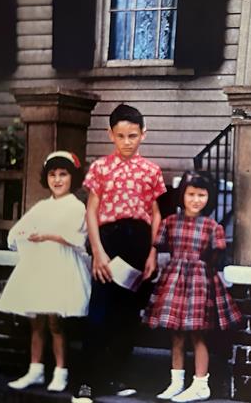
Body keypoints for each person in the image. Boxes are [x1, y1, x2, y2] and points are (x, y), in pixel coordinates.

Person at [72, 104, 166, 403]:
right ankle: (86, 382)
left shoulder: (151, 171)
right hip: (109, 242)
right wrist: (98, 252)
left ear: (143, 135)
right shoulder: (100, 168)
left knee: (127, 315)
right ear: (110, 134)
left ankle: (113, 376)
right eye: (121, 135)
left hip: (138, 244)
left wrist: (152, 252)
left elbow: (155, 214)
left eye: (133, 136)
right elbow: (92, 211)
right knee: (100, 312)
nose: (127, 142)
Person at [144, 171, 242, 402]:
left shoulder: (211, 226)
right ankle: (176, 382)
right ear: (182, 196)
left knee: (198, 334)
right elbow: (159, 246)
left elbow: (216, 256)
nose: (196, 200)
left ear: (209, 198)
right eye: (191, 194)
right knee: (176, 335)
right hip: (175, 281)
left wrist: (202, 272)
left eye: (201, 195)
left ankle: (200, 384)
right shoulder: (170, 222)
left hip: (199, 283)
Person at [0, 151, 90, 393]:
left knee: (55, 322)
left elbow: (76, 237)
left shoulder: (76, 206)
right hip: (39, 269)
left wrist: (47, 235)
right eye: (52, 175)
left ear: (73, 178)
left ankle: (61, 371)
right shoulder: (42, 206)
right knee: (36, 321)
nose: (57, 180)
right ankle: (35, 370)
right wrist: (24, 234)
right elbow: (18, 230)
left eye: (63, 174)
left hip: (61, 268)